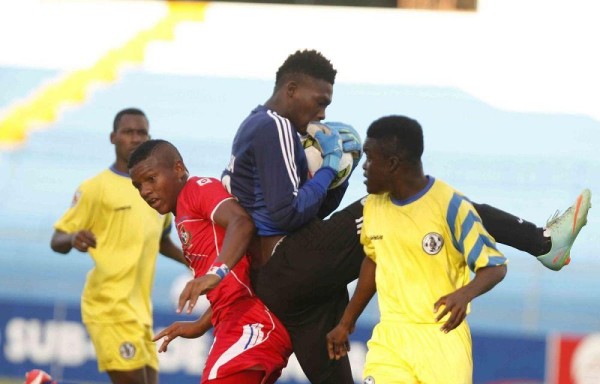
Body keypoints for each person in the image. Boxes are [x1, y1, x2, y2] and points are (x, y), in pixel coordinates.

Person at [214, 49, 590, 384]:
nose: (322, 113)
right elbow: (288, 214)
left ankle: (543, 243)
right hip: (291, 261)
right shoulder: (275, 124)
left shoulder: (253, 125)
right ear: (291, 89)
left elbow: (308, 212)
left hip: (284, 285)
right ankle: (542, 242)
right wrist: (332, 165)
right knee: (421, 204)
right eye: (320, 100)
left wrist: (337, 177)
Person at [326, 115, 508, 383]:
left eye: (370, 158)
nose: (364, 167)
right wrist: (346, 321)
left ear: (392, 164)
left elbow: (495, 266)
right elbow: (373, 261)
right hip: (391, 337)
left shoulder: (450, 206)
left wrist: (464, 294)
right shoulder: (374, 205)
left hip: (442, 338)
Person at [128, 139, 293, 384]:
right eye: (138, 186)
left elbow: (241, 222)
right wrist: (201, 324)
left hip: (252, 319)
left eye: (151, 179)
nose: (145, 191)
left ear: (178, 169)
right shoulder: (183, 214)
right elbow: (232, 284)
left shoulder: (197, 189)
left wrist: (216, 273)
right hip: (232, 321)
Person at [50, 108, 186, 384]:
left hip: (139, 311)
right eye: (128, 132)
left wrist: (195, 261)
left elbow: (161, 241)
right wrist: (74, 238)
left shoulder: (156, 189)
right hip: (108, 306)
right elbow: (57, 240)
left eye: (142, 133)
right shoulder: (95, 188)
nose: (135, 138)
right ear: (113, 137)